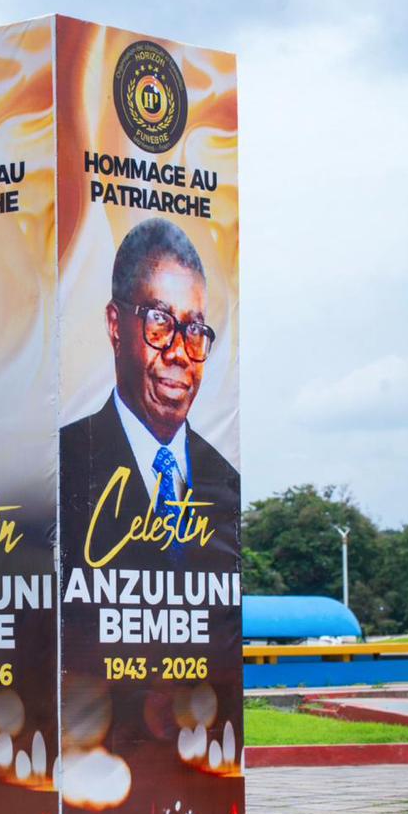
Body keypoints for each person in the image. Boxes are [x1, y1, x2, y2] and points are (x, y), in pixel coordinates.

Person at [60, 217, 239, 571]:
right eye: (160, 321)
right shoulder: (64, 465)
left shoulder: (224, 481)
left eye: (195, 329)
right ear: (115, 325)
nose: (179, 352)